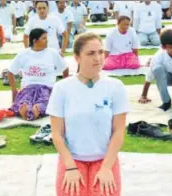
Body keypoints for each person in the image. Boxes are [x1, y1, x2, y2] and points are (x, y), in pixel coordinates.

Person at [46, 32, 129, 196]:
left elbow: (119, 131)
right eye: (90, 53)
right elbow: (56, 134)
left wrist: (106, 168)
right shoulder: (62, 88)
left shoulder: (115, 86)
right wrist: (70, 167)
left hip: (105, 159)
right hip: (72, 159)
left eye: (100, 52)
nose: (98, 58)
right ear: (77, 57)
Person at [8, 28, 68, 121]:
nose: (47, 40)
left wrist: (64, 88)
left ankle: (37, 109)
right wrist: (14, 91)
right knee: (24, 100)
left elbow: (65, 68)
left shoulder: (52, 53)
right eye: (44, 38)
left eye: (46, 38)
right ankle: (24, 109)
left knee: (46, 101)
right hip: (28, 88)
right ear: (35, 41)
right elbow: (10, 71)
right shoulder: (23, 54)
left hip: (46, 88)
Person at [139, 29, 172, 111]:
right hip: (165, 78)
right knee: (157, 69)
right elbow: (149, 76)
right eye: (171, 47)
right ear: (163, 47)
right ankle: (166, 101)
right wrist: (143, 95)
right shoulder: (158, 57)